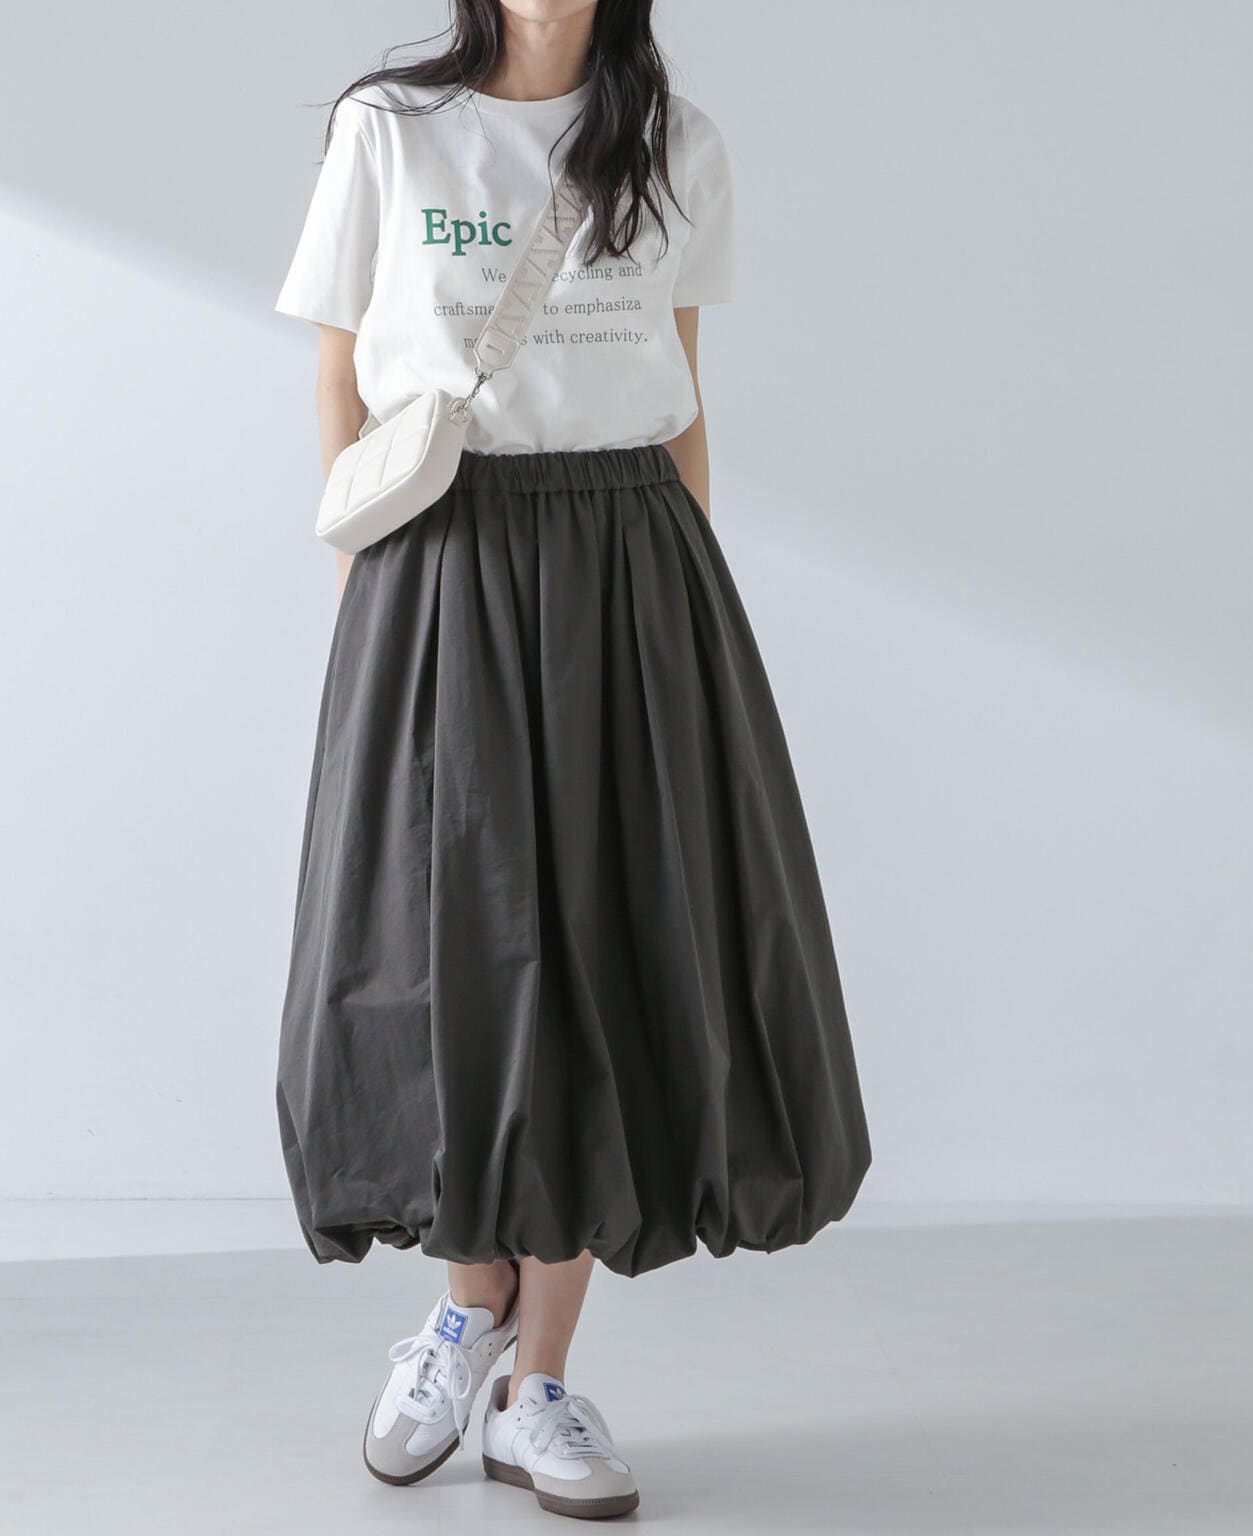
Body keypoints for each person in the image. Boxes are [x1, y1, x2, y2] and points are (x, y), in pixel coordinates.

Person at [273, 0, 871, 1520]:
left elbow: (682, 392)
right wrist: (363, 592)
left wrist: (683, 628)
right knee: (454, 945)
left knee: (605, 943)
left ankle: (536, 1385)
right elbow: (340, 378)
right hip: (442, 556)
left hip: (631, 564)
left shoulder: (674, 144)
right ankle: (461, 1316)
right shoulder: (388, 131)